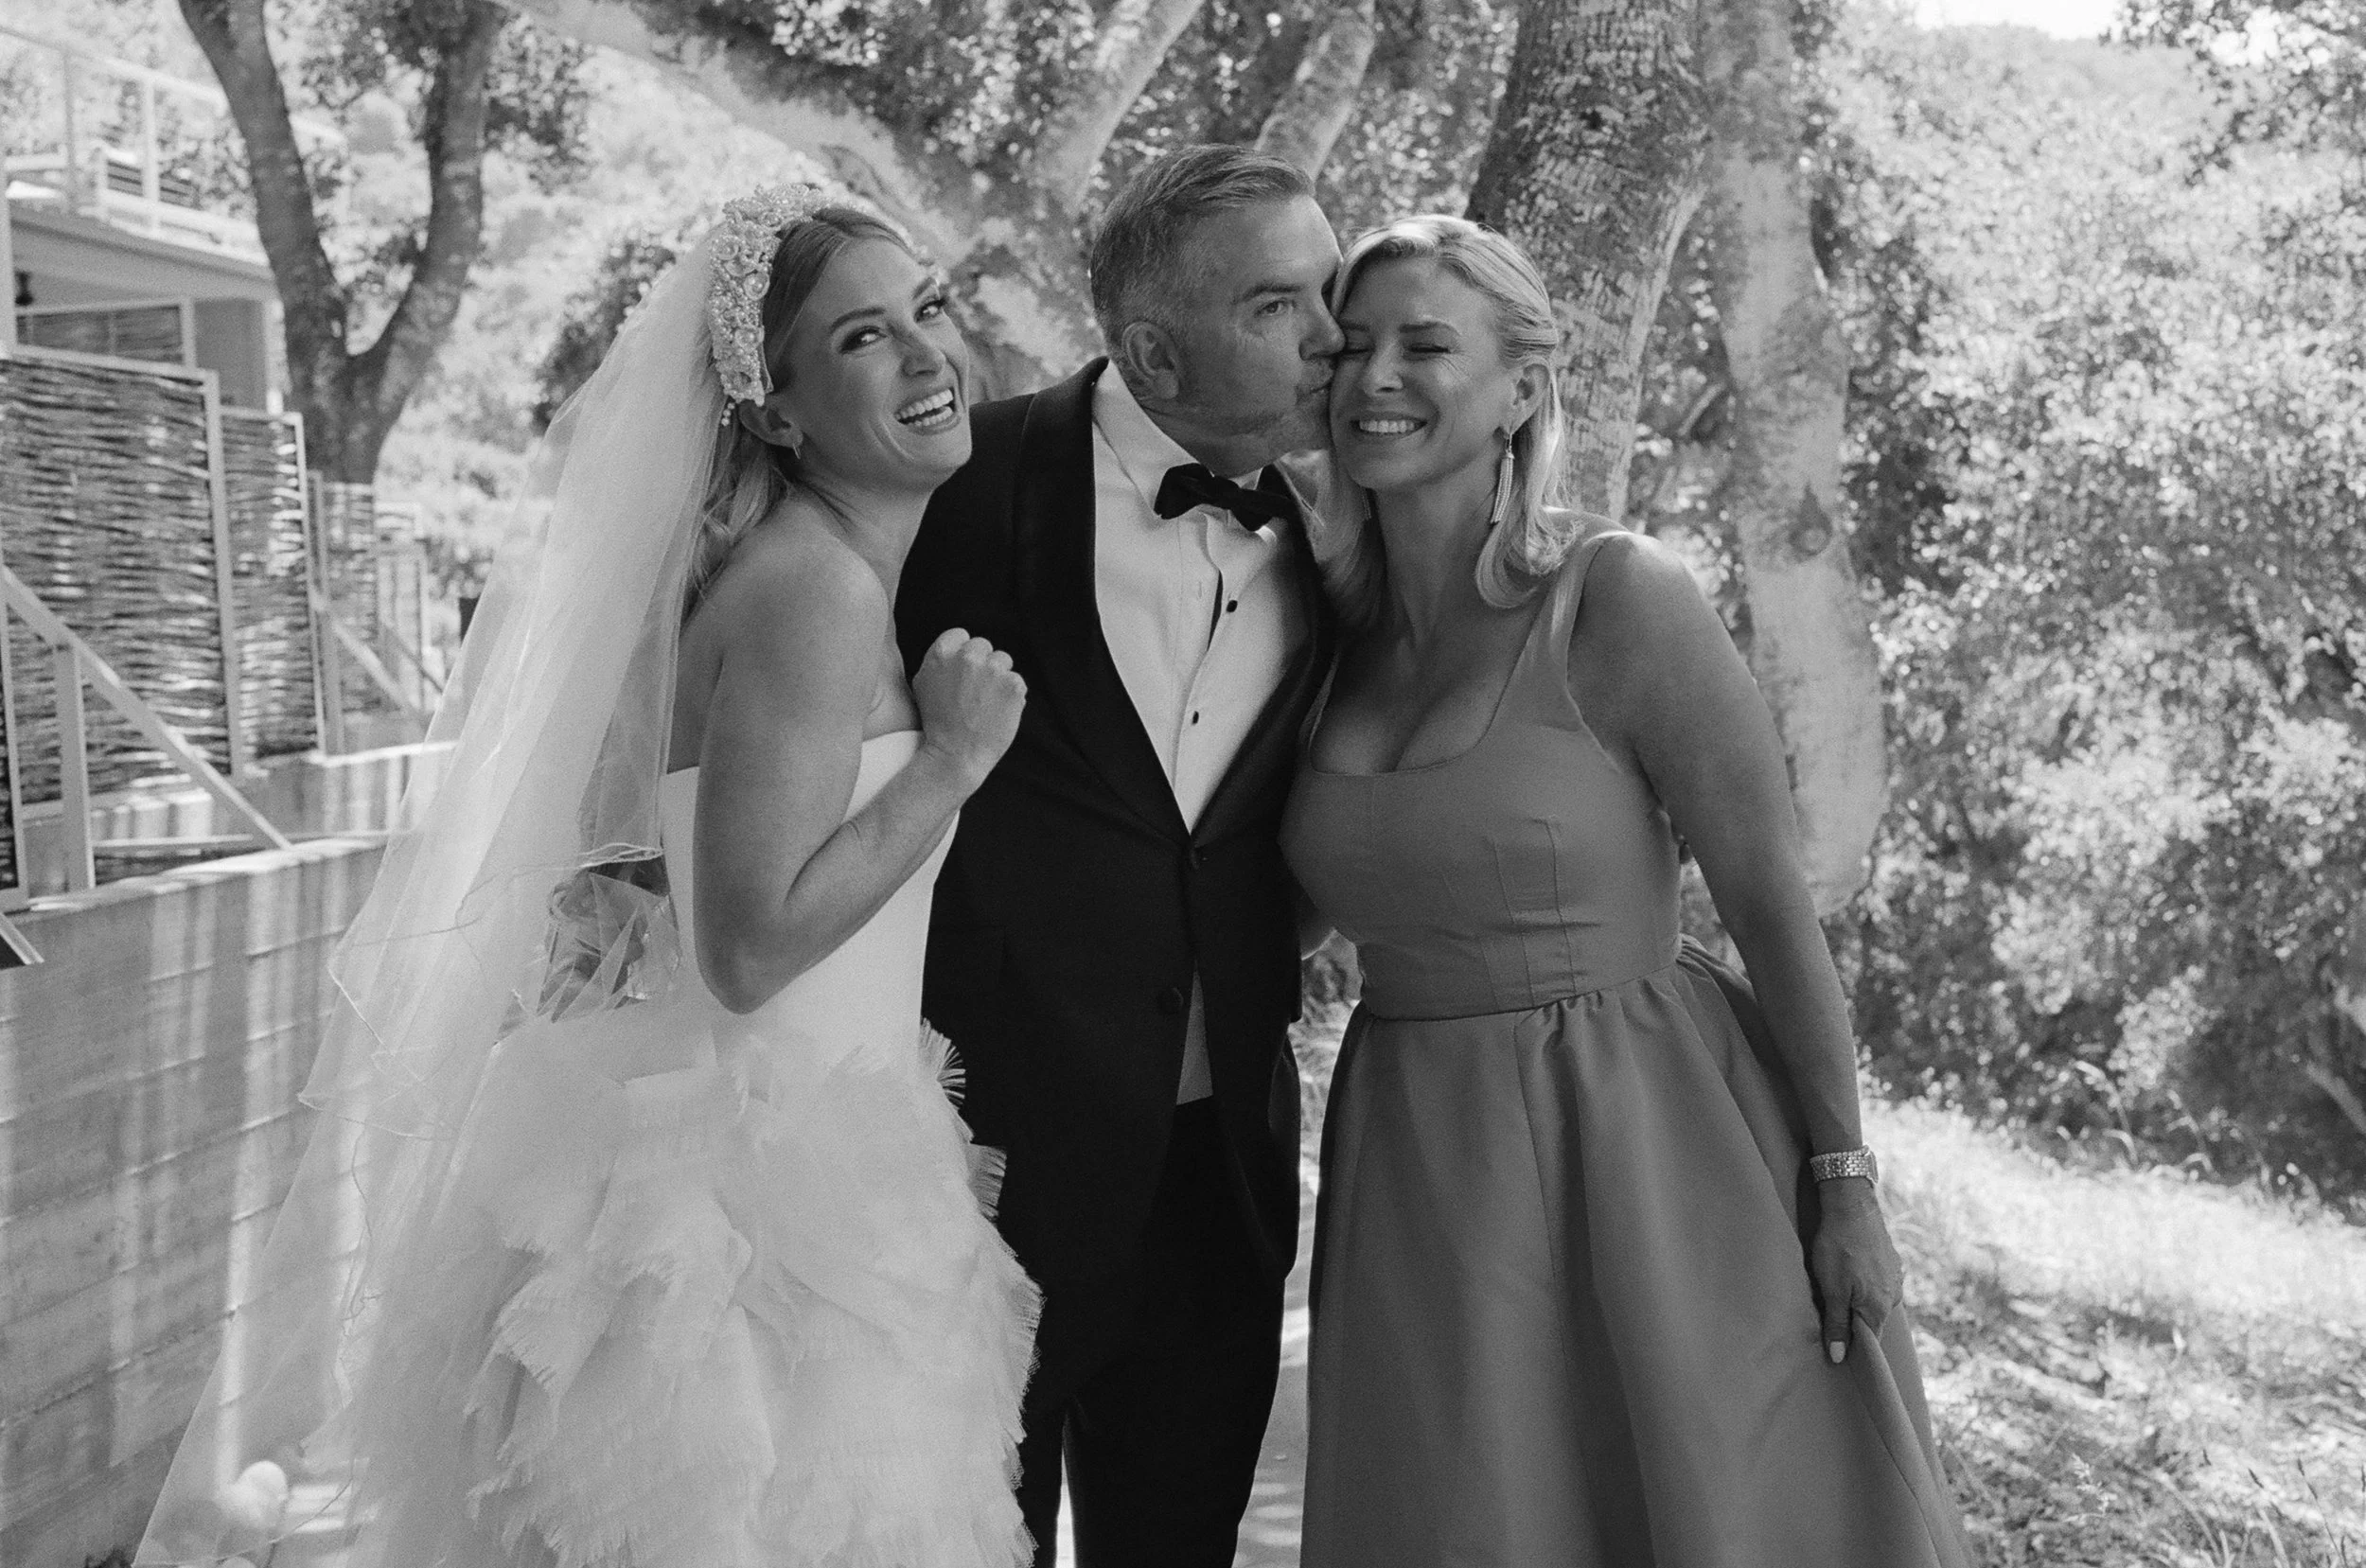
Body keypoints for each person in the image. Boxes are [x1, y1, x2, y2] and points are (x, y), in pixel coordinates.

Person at [136, 187, 1040, 1568]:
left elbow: (653, 888)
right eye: (863, 336)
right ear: (774, 412)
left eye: (927, 308)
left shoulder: (789, 572)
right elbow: (749, 946)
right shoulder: (817, 590)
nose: (929, 355)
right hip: (770, 1210)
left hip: (781, 1144)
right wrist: (952, 763)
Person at [1281, 213, 1974, 1567]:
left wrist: (1845, 1183)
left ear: (1520, 392)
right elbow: (1290, 909)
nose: (1377, 377)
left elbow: (1771, 904)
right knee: (1472, 1518)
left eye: (1427, 345)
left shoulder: (1617, 598)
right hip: (1421, 1162)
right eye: (1351, 345)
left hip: (1656, 1144)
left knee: (1708, 1512)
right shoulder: (1316, 635)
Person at [892, 143, 1341, 1568]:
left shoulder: (1348, 535)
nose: (1333, 336)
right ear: (1153, 350)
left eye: (1328, 289)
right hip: (982, 1180)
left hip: (1220, 1182)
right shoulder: (955, 490)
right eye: (1278, 306)